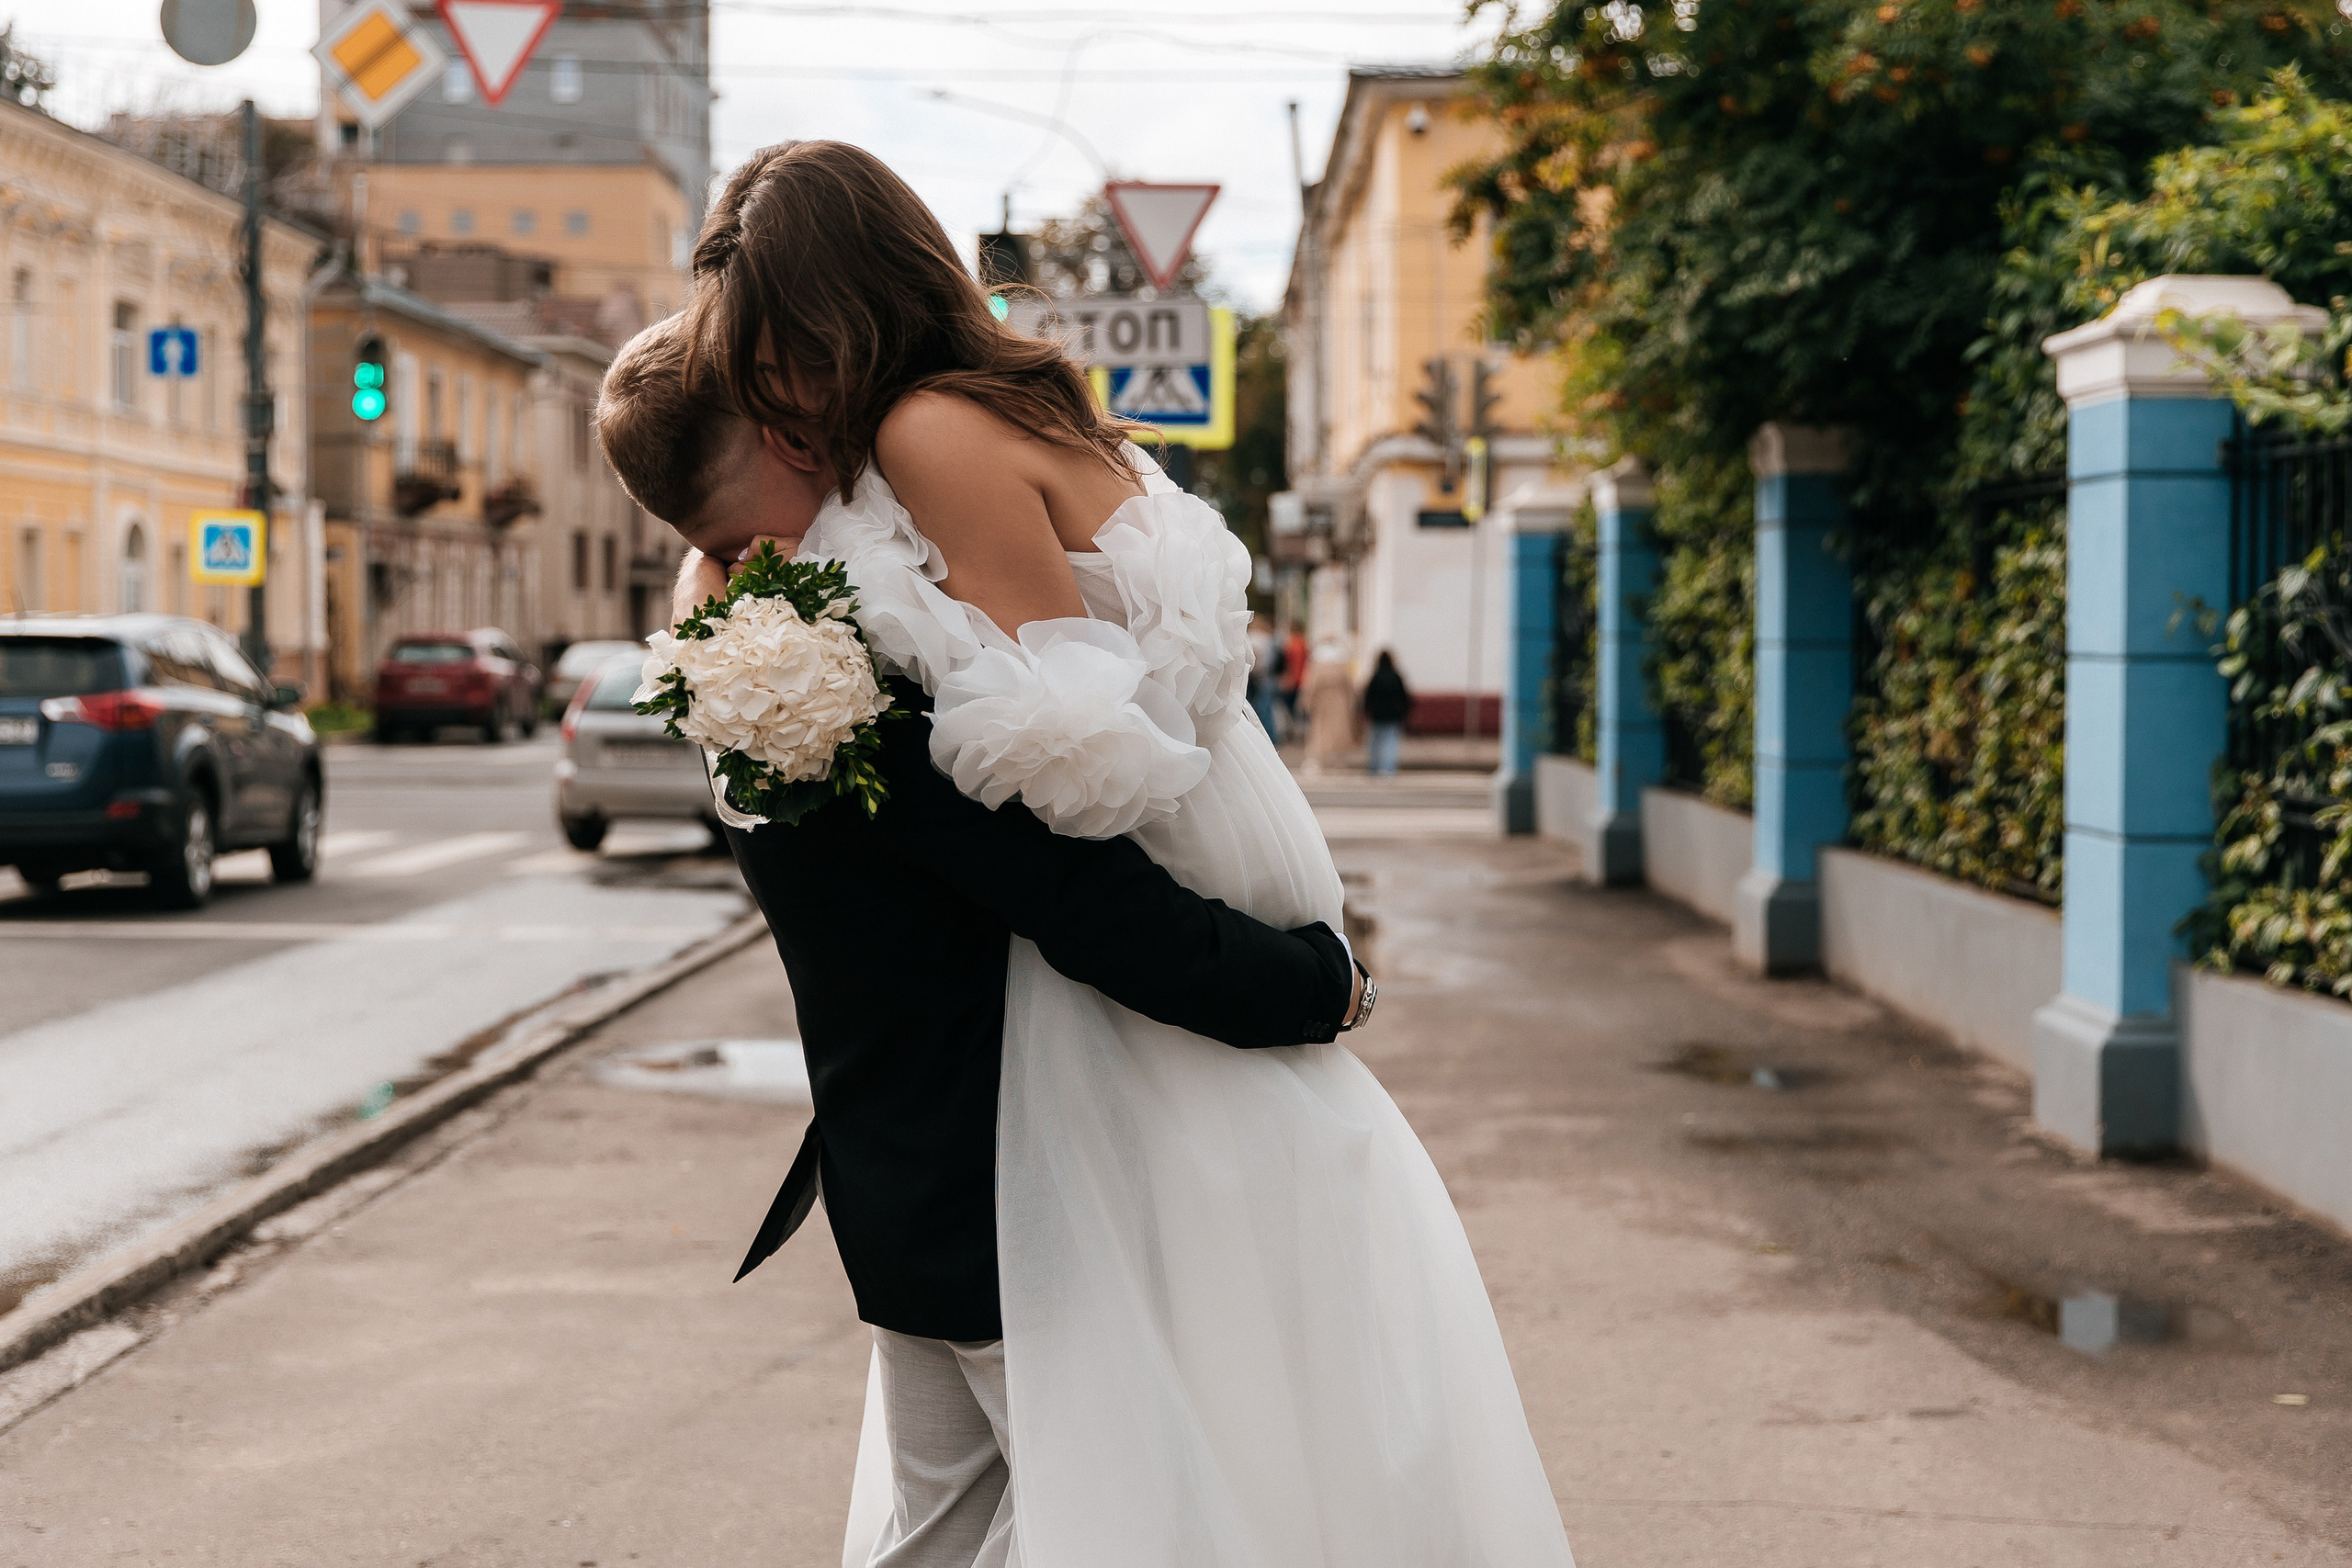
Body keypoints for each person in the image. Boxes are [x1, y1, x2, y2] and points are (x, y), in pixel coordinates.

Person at [680, 140, 1573, 1568]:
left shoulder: (923, 439)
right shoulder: (1024, 410)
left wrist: (800, 675)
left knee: (1127, 1477)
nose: (774, 397)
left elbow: (1059, 805)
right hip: (1199, 939)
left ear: (839, 315)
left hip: (1116, 1010)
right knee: (1209, 1434)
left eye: (775, 350)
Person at [596, 316, 1370, 1565]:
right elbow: (1090, 908)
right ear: (787, 438)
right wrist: (1323, 983)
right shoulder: (850, 687)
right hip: (1015, 1193)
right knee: (1112, 1527)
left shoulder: (731, 669)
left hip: (896, 1179)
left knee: (937, 1534)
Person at [1301, 637, 1360, 774]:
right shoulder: (1342, 665)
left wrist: (1307, 702)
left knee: (1319, 732)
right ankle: (1340, 761)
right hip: (1340, 704)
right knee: (1339, 732)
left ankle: (1317, 761)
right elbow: (1349, 687)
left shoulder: (1318, 665)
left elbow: (1312, 686)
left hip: (1322, 704)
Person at [1362, 649, 1412, 777]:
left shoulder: (1375, 677)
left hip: (1377, 714)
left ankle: (1374, 767)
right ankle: (1389, 769)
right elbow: (1404, 697)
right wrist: (1405, 712)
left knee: (1374, 742)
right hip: (1393, 714)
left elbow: (1369, 696)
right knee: (1391, 742)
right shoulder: (1396, 677)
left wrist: (1366, 711)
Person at [1245, 612, 1279, 739]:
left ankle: (1256, 736)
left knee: (1253, 708)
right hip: (1265, 676)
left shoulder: (1252, 638)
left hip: (1253, 676)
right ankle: (1269, 736)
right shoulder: (1268, 640)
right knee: (1266, 709)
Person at [1278, 621, 1310, 740]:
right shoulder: (1303, 643)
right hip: (1302, 678)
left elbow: (1290, 664)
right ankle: (1299, 731)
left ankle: (1294, 731)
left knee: (1291, 708)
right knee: (1299, 708)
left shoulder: (1291, 644)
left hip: (1293, 680)